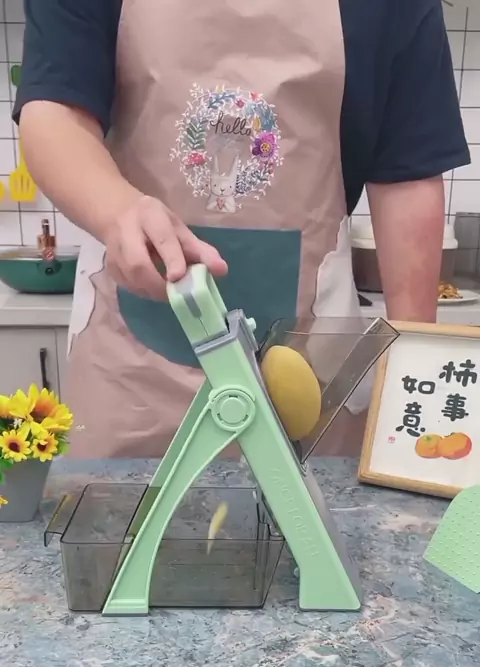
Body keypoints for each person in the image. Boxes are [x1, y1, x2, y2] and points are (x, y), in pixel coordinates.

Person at [14, 0, 469, 458]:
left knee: (310, 502)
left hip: (309, 368)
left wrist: (415, 376)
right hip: (130, 368)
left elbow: (408, 173)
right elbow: (57, 112)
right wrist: (119, 211)